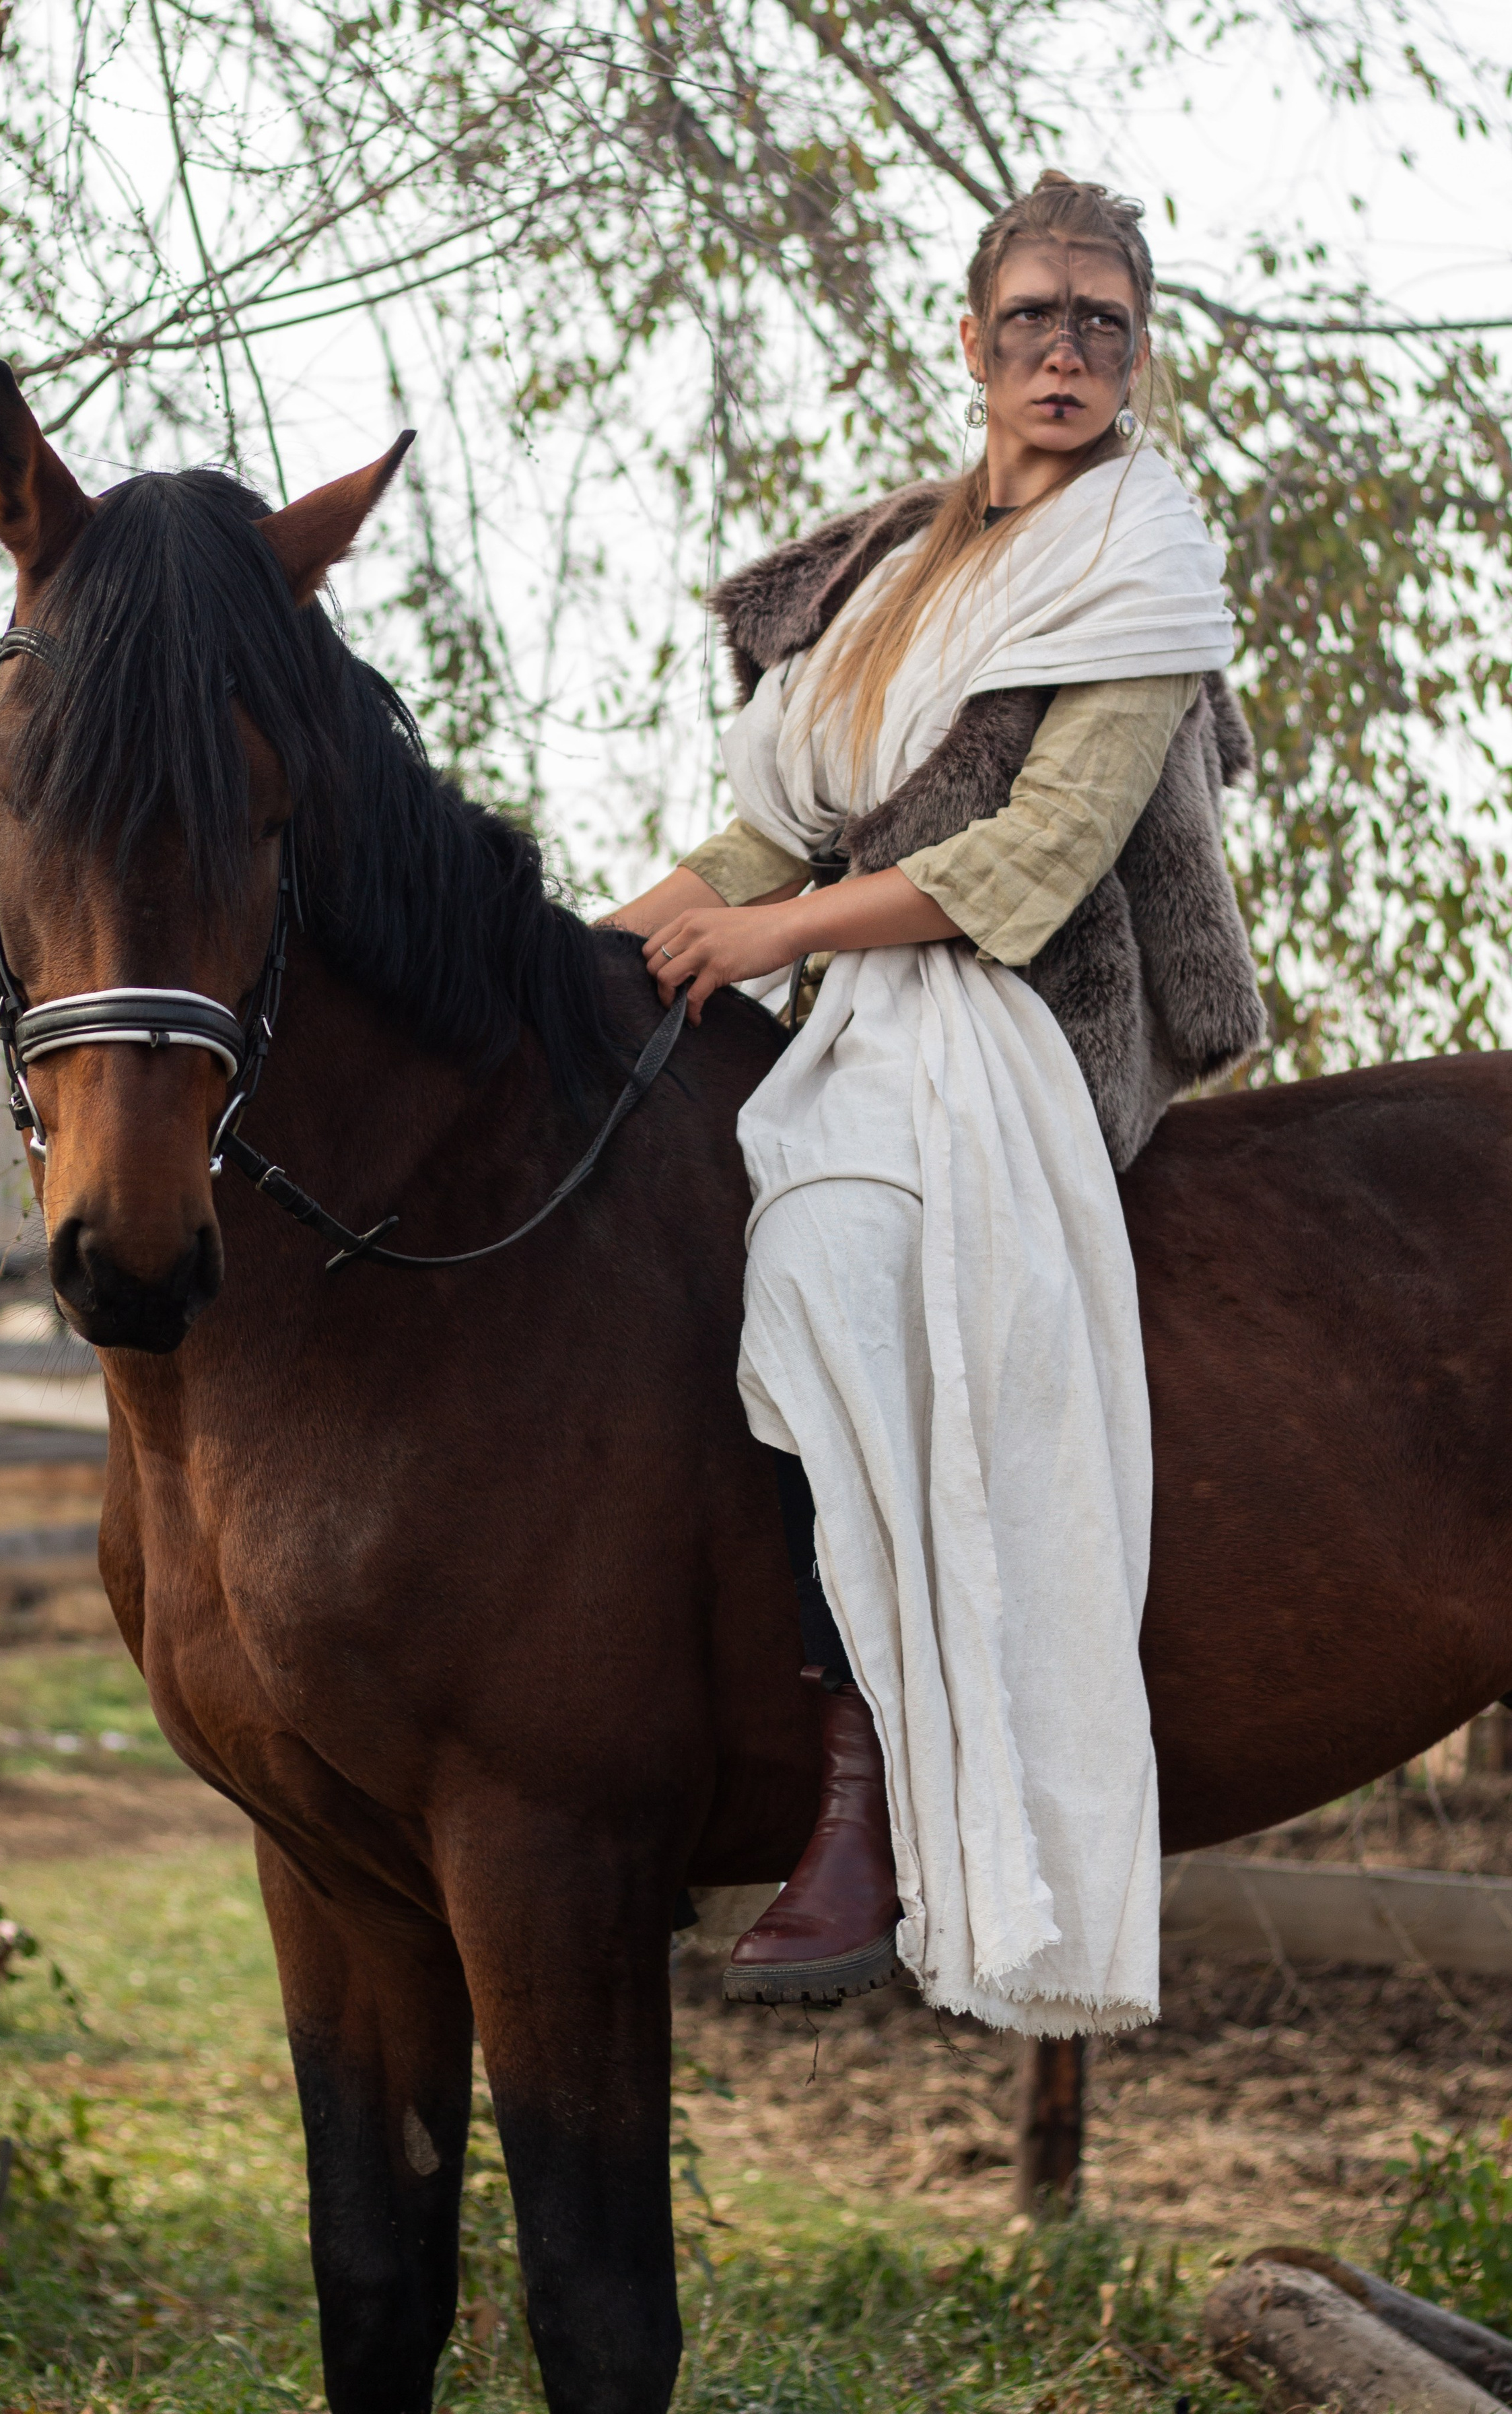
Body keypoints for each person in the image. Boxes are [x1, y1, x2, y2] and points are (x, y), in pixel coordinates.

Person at [605, 171, 1264, 2034]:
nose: (1066, 349)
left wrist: (760, 940)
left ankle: (866, 1792)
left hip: (1021, 1012)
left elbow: (1039, 861)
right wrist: (594, 951)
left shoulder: (1147, 559)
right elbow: (771, 826)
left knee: (825, 1252)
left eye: (1103, 323)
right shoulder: (900, 564)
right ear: (971, 343)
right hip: (850, 974)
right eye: (1035, 318)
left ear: (1138, 355)